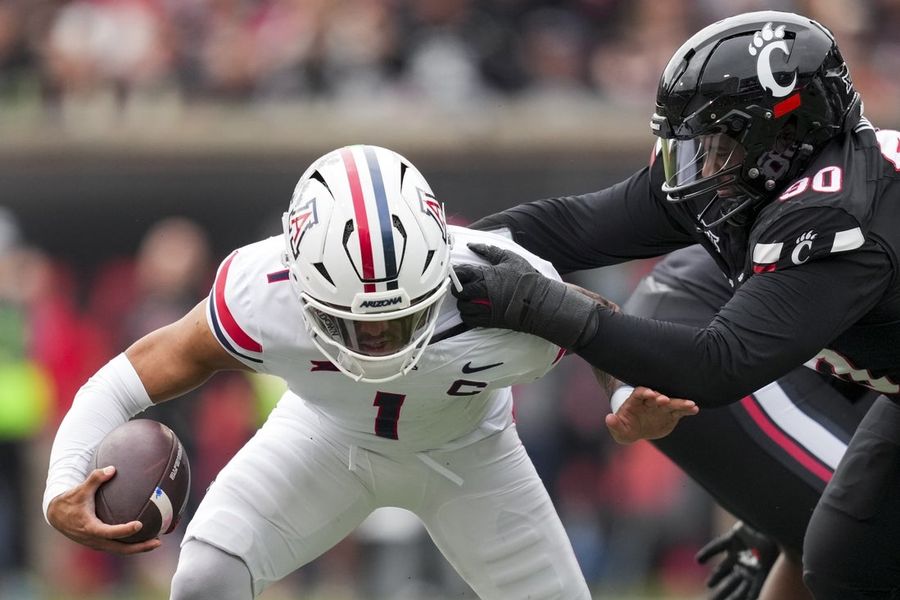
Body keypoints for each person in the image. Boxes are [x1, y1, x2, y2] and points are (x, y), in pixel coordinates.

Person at [42, 145, 638, 599]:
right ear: (300, 285)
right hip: (324, 438)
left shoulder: (501, 283)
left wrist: (628, 395)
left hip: (473, 456)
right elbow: (126, 378)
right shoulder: (260, 291)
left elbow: (601, 329)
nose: (377, 343)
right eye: (354, 324)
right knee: (204, 578)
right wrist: (60, 487)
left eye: (401, 319)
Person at [452, 10, 900, 599]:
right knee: (845, 560)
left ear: (782, 141)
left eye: (716, 147)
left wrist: (546, 308)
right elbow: (577, 226)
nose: (700, 168)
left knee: (848, 553)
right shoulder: (768, 179)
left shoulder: (836, 215)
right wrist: (441, 255)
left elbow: (718, 364)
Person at [612, 245, 876, 600]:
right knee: (874, 531)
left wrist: (777, 513)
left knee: (835, 539)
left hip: (720, 309)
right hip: (702, 318)